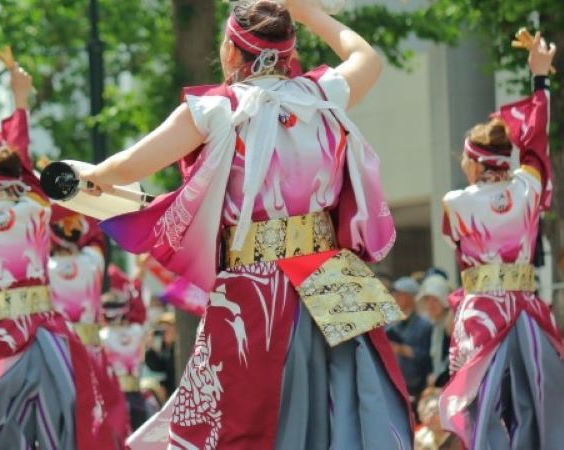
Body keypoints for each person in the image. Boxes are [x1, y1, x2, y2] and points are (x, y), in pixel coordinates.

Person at [82, 1, 412, 447]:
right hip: (334, 280)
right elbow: (366, 59)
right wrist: (308, 12)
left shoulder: (218, 109)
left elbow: (122, 169)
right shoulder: (321, 94)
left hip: (256, 290)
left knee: (241, 424)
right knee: (344, 416)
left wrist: (85, 178)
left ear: (233, 53)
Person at [0, 63, 109, 450]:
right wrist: (20, 101)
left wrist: (16, 105)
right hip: (48, 339)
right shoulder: (37, 210)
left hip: (0, 340)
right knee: (60, 428)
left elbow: (18, 171)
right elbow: (28, 176)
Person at [439, 33, 564, 449]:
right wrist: (539, 79)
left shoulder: (455, 203)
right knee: (534, 405)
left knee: (481, 410)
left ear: (473, 162)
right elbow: (537, 146)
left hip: (482, 316)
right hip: (527, 312)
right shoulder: (527, 188)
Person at [48, 204, 127, 445]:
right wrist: (78, 199)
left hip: (58, 355)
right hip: (93, 355)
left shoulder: (43, 267)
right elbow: (95, 235)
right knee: (101, 420)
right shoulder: (93, 261)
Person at [100, 265, 149, 431]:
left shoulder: (102, 336)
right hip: (137, 397)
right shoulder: (137, 332)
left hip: (113, 398)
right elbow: (139, 310)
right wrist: (136, 283)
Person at [387, 276, 432, 408]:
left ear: (410, 297)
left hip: (419, 389)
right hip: (396, 387)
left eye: (400, 294)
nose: (395, 297)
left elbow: (428, 358)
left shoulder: (425, 325)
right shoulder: (392, 325)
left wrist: (404, 350)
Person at [418, 273, 451, 387]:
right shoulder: (431, 325)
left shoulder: (451, 326)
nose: (430, 305)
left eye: (435, 300)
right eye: (427, 300)